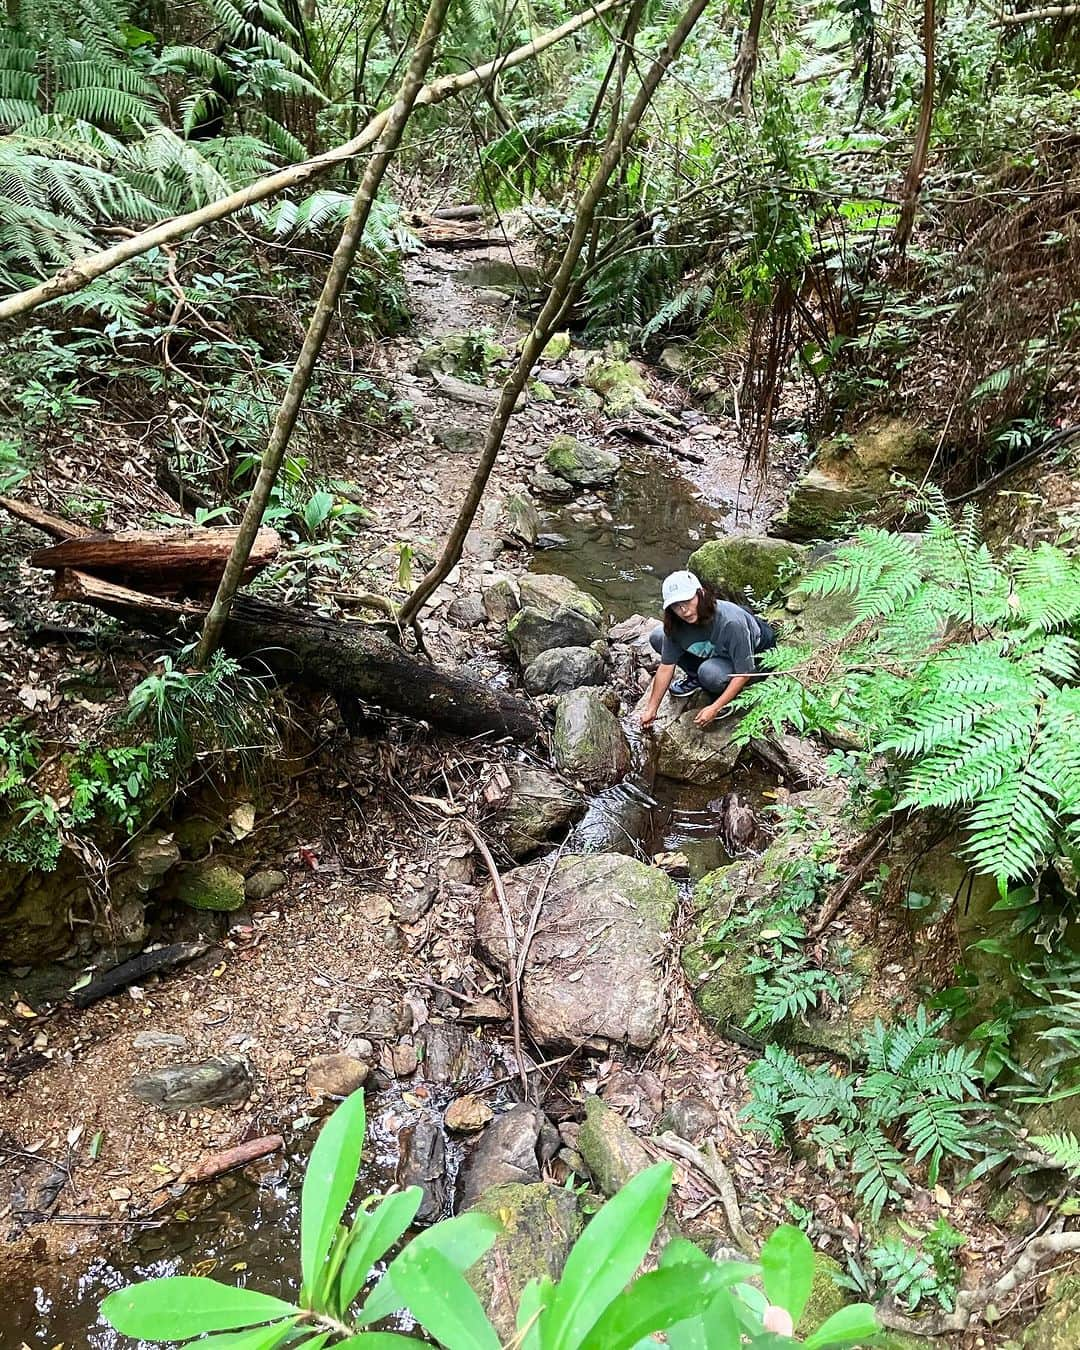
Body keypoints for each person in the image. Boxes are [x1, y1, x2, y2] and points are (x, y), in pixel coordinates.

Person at [638, 569, 776, 730]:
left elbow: (744, 673)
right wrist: (651, 709)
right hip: (717, 651)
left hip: (755, 655)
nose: (684, 611)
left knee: (709, 674)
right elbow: (666, 668)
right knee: (657, 636)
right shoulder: (676, 624)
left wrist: (715, 708)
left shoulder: (731, 622)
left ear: (701, 594)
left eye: (687, 601)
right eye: (676, 606)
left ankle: (725, 696)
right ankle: (696, 677)